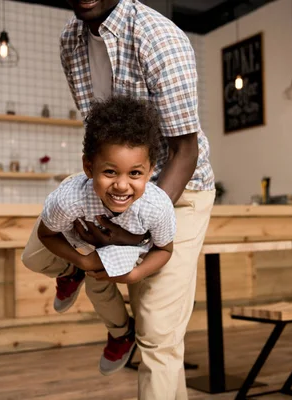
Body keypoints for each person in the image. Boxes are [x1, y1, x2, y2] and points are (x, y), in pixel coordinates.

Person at [27, 0, 216, 399]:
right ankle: (102, 302)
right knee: (39, 254)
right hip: (116, 188)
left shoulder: (159, 38)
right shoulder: (70, 41)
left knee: (158, 335)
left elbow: (185, 149)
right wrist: (86, 252)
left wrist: (132, 232)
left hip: (176, 189)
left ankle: (126, 324)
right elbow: (100, 138)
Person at [24, 95, 176, 376]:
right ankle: (69, 272)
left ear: (150, 172)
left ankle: (121, 333)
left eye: (135, 173)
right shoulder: (69, 199)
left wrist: (134, 275)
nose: (121, 185)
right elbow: (47, 234)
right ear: (88, 167)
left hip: (127, 241)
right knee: (30, 259)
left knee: (98, 284)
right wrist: (80, 262)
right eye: (109, 172)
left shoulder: (156, 206)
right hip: (74, 230)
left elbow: (165, 250)